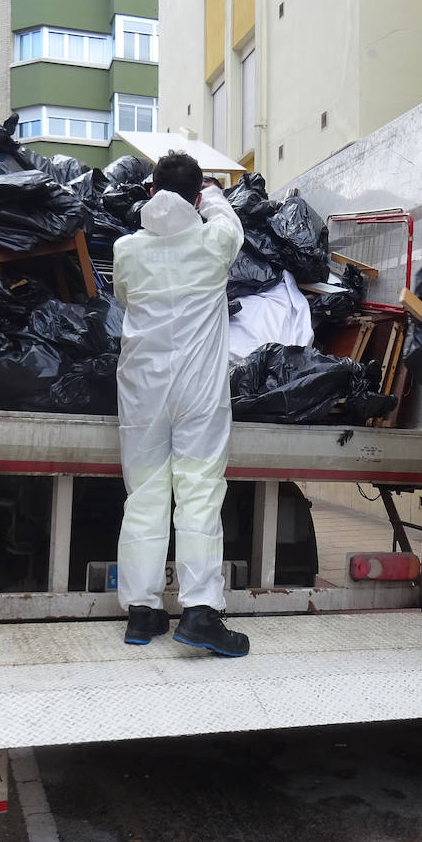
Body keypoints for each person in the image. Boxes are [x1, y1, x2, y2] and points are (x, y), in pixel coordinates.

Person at [112, 152, 250, 657]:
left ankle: (142, 611)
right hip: (197, 390)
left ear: (150, 193)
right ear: (195, 197)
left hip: (143, 387)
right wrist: (211, 192)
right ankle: (199, 611)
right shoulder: (214, 241)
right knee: (198, 493)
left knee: (145, 493)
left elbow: (124, 299)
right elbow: (228, 221)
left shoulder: (126, 249)